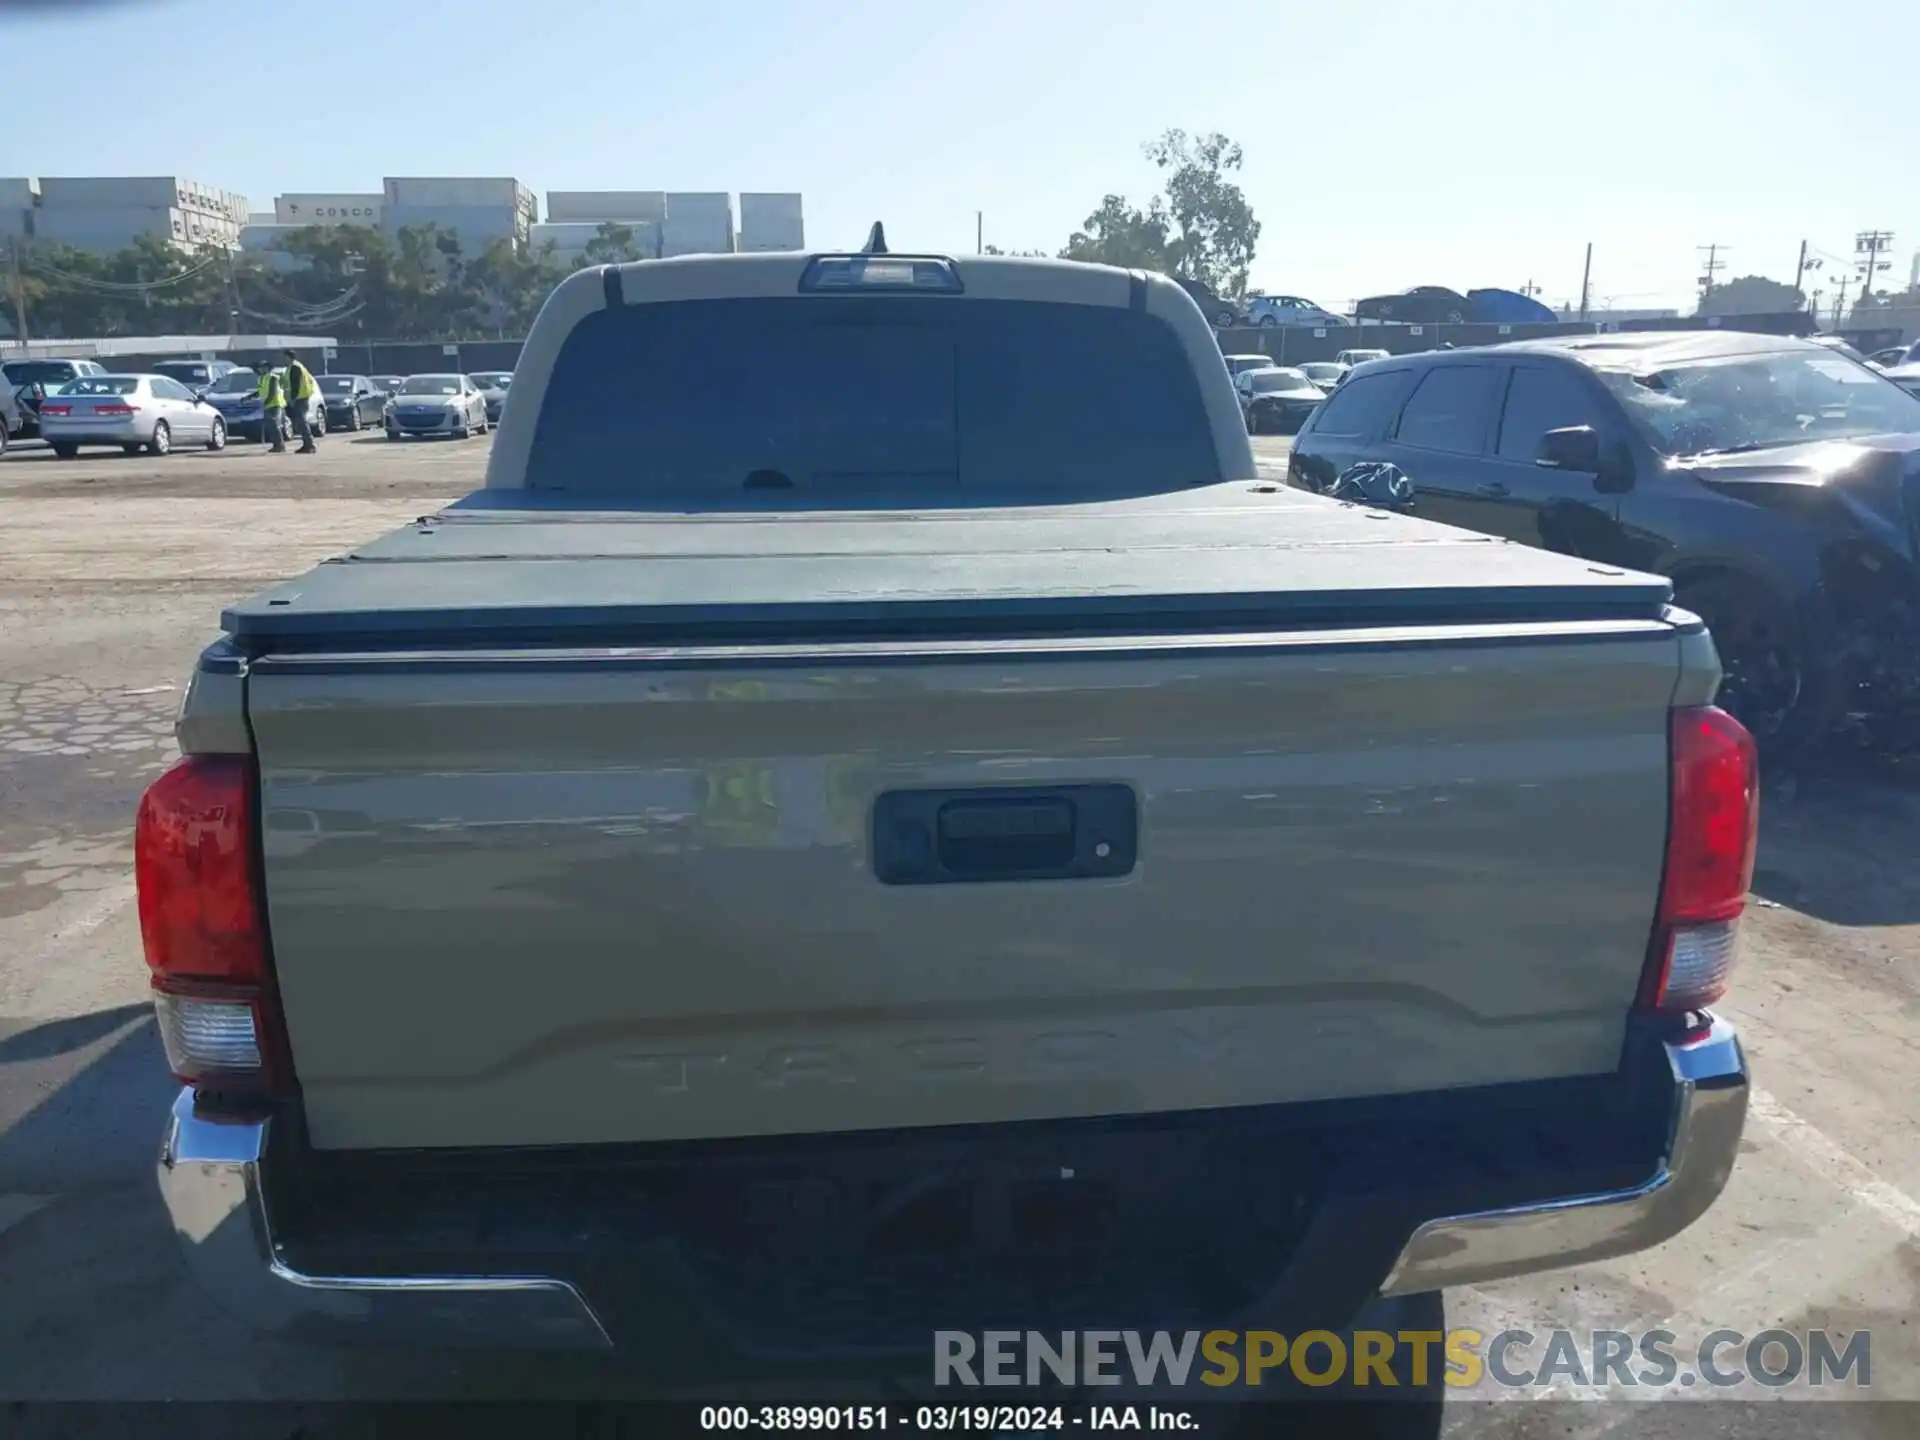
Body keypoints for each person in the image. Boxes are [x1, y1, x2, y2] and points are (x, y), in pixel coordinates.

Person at [282, 349, 318, 454]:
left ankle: (309, 445)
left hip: (299, 398)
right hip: (301, 397)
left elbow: (295, 384)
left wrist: (292, 398)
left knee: (302, 422)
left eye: (285, 357)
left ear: (289, 357)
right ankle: (307, 444)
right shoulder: (295, 366)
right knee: (300, 422)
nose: (283, 359)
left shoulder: (295, 367)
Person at [256, 365, 288, 453]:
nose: (261, 369)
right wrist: (248, 398)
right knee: (270, 426)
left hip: (275, 404)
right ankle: (276, 445)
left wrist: (266, 403)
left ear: (268, 368)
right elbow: (260, 391)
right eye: (260, 367)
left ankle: (280, 446)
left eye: (264, 367)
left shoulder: (273, 377)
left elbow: (272, 392)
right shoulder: (261, 378)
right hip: (268, 404)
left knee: (275, 425)